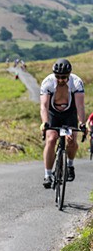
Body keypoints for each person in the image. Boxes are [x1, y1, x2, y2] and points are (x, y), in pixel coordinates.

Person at [40, 58, 86, 188]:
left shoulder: (76, 82)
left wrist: (82, 123)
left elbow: (80, 106)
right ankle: (48, 175)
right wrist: (45, 123)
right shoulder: (47, 82)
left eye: (64, 77)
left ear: (69, 75)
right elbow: (44, 106)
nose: (60, 79)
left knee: (71, 141)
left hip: (69, 113)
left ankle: (70, 165)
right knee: (51, 139)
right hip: (53, 113)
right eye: (58, 77)